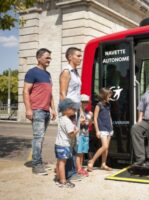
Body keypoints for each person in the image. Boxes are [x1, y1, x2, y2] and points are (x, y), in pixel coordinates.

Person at [23, 48, 57, 175]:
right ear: (38, 58)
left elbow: (50, 93)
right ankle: (36, 165)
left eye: (50, 58)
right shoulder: (32, 72)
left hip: (46, 111)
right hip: (37, 110)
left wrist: (53, 109)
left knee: (41, 138)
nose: (49, 60)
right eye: (47, 57)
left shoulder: (48, 74)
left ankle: (39, 161)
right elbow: (25, 91)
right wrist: (28, 109)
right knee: (38, 137)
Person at [59, 47, 82, 181]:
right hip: (69, 111)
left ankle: (72, 171)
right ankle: (68, 173)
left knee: (74, 141)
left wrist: (81, 112)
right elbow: (63, 93)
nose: (80, 58)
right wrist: (67, 114)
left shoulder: (76, 73)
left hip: (76, 110)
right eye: (78, 56)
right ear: (70, 57)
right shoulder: (66, 72)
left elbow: (77, 94)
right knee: (68, 141)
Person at [55, 98, 80, 188]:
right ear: (66, 110)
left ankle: (58, 177)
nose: (75, 110)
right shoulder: (67, 121)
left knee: (59, 162)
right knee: (62, 163)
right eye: (73, 109)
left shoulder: (61, 119)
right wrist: (77, 130)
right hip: (64, 145)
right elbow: (71, 135)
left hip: (58, 144)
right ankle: (63, 181)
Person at [87, 88, 113, 171]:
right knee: (104, 146)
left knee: (106, 148)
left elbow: (109, 116)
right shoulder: (98, 105)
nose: (110, 97)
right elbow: (95, 118)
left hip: (109, 128)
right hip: (102, 129)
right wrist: (97, 130)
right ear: (104, 96)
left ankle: (103, 164)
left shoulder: (108, 105)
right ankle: (92, 161)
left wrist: (111, 126)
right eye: (109, 96)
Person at [75, 94, 93, 177]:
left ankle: (80, 167)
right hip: (79, 134)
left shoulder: (88, 112)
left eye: (87, 102)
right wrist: (83, 120)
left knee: (82, 152)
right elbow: (77, 122)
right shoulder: (78, 111)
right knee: (79, 152)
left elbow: (89, 124)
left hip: (85, 134)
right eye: (83, 102)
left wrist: (89, 120)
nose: (85, 103)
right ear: (80, 102)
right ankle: (78, 168)